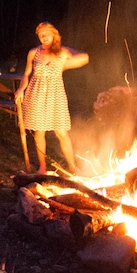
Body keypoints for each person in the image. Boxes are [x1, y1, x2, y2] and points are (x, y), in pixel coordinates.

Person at [14, 22, 90, 174]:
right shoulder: (33, 53)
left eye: (47, 34)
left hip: (55, 95)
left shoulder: (62, 52)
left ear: (54, 35)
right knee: (39, 131)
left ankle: (72, 167)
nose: (43, 37)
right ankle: (42, 167)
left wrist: (67, 64)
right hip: (36, 93)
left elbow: (84, 57)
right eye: (41, 35)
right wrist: (21, 89)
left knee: (61, 132)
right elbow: (26, 74)